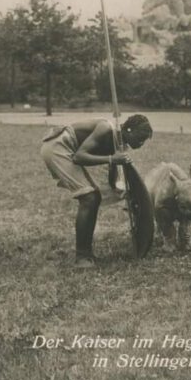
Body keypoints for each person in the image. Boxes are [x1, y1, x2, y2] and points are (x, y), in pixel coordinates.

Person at [40, 114, 153, 267]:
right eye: (140, 139)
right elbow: (79, 157)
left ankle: (87, 254)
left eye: (143, 141)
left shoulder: (120, 143)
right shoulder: (106, 128)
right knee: (89, 197)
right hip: (57, 147)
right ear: (129, 130)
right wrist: (112, 159)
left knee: (94, 197)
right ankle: (82, 257)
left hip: (68, 150)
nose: (141, 144)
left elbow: (112, 174)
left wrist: (123, 192)